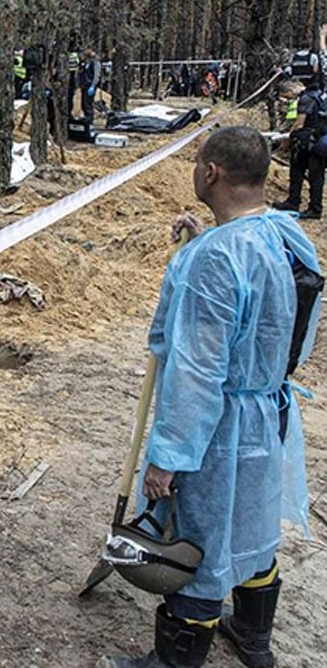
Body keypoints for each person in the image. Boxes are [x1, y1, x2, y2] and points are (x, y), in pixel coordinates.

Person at [100, 127, 318, 668]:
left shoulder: (217, 261)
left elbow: (198, 369)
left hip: (218, 425)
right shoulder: (284, 235)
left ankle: (175, 660)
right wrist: (205, 239)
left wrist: (169, 457)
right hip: (268, 409)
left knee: (200, 538)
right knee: (254, 525)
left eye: (197, 163)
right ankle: (253, 637)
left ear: (212, 173)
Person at [273, 56, 326, 220]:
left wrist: (286, 141)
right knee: (309, 173)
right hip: (320, 139)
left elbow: (299, 124)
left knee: (304, 172)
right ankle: (300, 203)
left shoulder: (307, 98)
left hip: (309, 141)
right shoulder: (321, 94)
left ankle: (311, 207)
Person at [81, 49, 102, 121]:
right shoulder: (86, 62)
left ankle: (89, 119)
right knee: (83, 104)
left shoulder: (96, 62)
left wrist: (93, 85)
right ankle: (86, 117)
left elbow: (96, 75)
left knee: (88, 104)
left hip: (90, 85)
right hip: (84, 85)